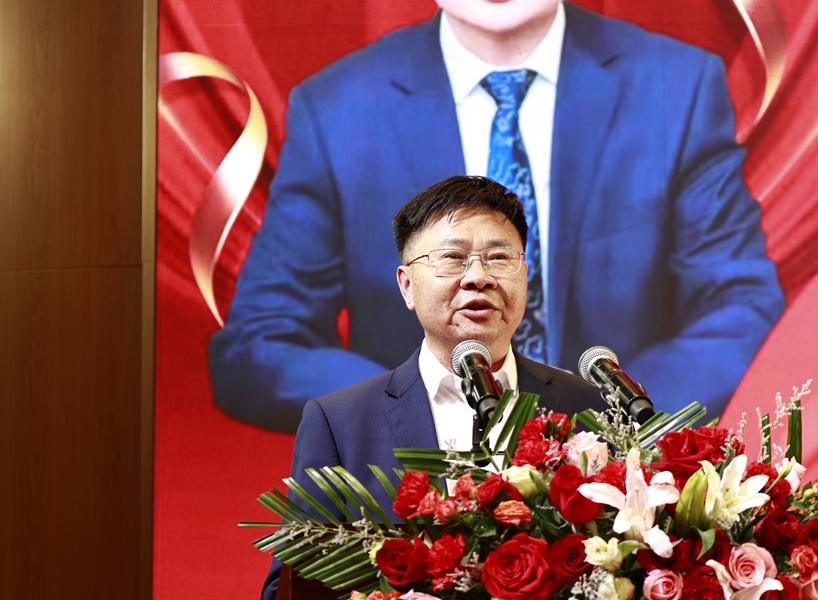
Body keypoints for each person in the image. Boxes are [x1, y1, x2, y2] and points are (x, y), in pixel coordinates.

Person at [209, 0, 785, 433]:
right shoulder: (338, 108)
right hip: (417, 507)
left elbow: (740, 311)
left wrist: (597, 429)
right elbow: (259, 345)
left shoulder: (675, 87)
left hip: (627, 500)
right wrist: (423, 408)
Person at [259, 175, 612, 599]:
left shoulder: (588, 405)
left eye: (499, 257)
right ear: (407, 286)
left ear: (525, 275)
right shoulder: (340, 423)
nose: (478, 277)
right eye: (453, 257)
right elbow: (291, 587)